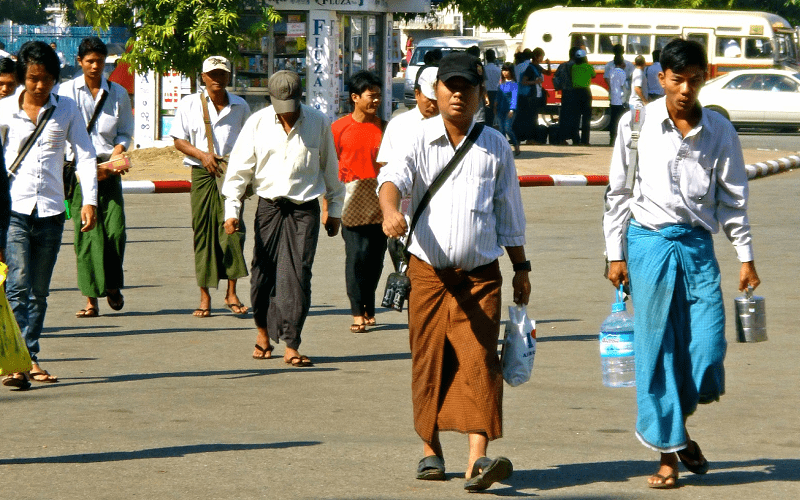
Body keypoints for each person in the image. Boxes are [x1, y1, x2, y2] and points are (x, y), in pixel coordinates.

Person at [603, 38, 761, 490]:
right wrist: (615, 254)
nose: (685, 89)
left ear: (705, 77)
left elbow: (733, 200)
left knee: (707, 350)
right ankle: (669, 453)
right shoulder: (636, 122)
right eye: (677, 79)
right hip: (648, 244)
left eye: (694, 79)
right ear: (661, 78)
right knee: (659, 351)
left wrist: (746, 257)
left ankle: (679, 428)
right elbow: (618, 192)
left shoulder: (719, 131)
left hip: (696, 247)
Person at [378, 52, 530, 491]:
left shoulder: (495, 145)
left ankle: (477, 459)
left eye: (467, 87)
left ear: (482, 93)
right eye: (450, 86)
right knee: (429, 359)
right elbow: (392, 180)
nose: (458, 94)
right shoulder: (417, 138)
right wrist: (390, 211)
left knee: (480, 361)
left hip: (480, 276)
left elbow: (509, 213)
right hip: (428, 274)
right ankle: (430, 449)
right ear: (436, 90)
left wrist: (521, 267)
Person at [221, 70, 344, 366]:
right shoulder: (257, 123)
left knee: (297, 276)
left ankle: (292, 343)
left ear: (301, 98)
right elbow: (238, 171)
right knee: (262, 275)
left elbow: (330, 169)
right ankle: (263, 332)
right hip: (269, 208)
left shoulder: (318, 122)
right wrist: (232, 211)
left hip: (304, 210)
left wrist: (334, 210)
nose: (286, 114)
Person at [1, 41, 98, 388]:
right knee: (18, 284)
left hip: (53, 212)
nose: (40, 86)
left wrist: (90, 201)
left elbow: (85, 154)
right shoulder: (3, 111)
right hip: (13, 210)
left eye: (47, 79)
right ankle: (17, 363)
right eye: (33, 79)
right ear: (21, 77)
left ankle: (29, 354)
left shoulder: (67, 109)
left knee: (39, 291)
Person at [59, 37, 134, 318]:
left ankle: (112, 284)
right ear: (79, 62)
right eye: (89, 61)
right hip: (78, 171)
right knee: (87, 236)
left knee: (115, 231)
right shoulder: (65, 92)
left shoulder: (118, 93)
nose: (95, 66)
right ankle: (91, 299)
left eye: (99, 61)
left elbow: (125, 131)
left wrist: (117, 153)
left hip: (109, 169)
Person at [172, 56, 251, 318]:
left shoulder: (240, 106)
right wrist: (202, 155)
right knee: (203, 232)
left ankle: (231, 293)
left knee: (233, 230)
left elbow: (250, 143)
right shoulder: (189, 104)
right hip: (201, 172)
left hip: (231, 173)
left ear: (229, 77)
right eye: (212, 74)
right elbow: (179, 140)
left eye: (222, 74)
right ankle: (204, 296)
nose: (217, 79)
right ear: (203, 77)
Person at [332, 70, 387, 333]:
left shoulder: (385, 129)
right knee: (356, 256)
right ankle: (357, 312)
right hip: (350, 200)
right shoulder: (338, 128)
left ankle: (368, 306)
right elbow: (329, 169)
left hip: (380, 201)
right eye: (370, 95)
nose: (376, 100)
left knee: (375, 259)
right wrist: (328, 208)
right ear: (355, 97)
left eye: (378, 96)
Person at [554, 46, 579, 144]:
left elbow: (556, 77)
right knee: (574, 116)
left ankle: (562, 138)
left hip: (565, 93)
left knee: (564, 116)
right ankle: (575, 138)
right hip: (575, 93)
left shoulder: (562, 65)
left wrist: (559, 86)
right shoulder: (577, 66)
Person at [495, 62, 521, 156]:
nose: (505, 72)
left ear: (511, 72)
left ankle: (516, 145)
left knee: (507, 128)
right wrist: (495, 106)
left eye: (507, 70)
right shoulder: (501, 83)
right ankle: (503, 149)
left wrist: (512, 109)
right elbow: (498, 96)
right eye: (503, 70)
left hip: (509, 110)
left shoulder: (514, 84)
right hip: (500, 109)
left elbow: (514, 97)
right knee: (501, 130)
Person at [571, 49, 595, 145]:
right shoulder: (588, 67)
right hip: (585, 92)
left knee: (576, 117)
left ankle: (576, 140)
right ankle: (585, 140)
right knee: (586, 117)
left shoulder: (573, 67)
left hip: (575, 92)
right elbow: (593, 75)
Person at [607, 54, 628, 147]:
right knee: (619, 120)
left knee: (613, 120)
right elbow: (624, 85)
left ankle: (611, 139)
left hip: (613, 98)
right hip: (620, 99)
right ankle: (618, 140)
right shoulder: (622, 72)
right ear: (622, 62)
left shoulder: (611, 71)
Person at [483, 49, 501, 128]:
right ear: (494, 58)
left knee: (485, 113)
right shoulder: (498, 70)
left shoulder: (483, 69)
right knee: (493, 114)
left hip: (485, 93)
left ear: (486, 58)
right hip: (495, 92)